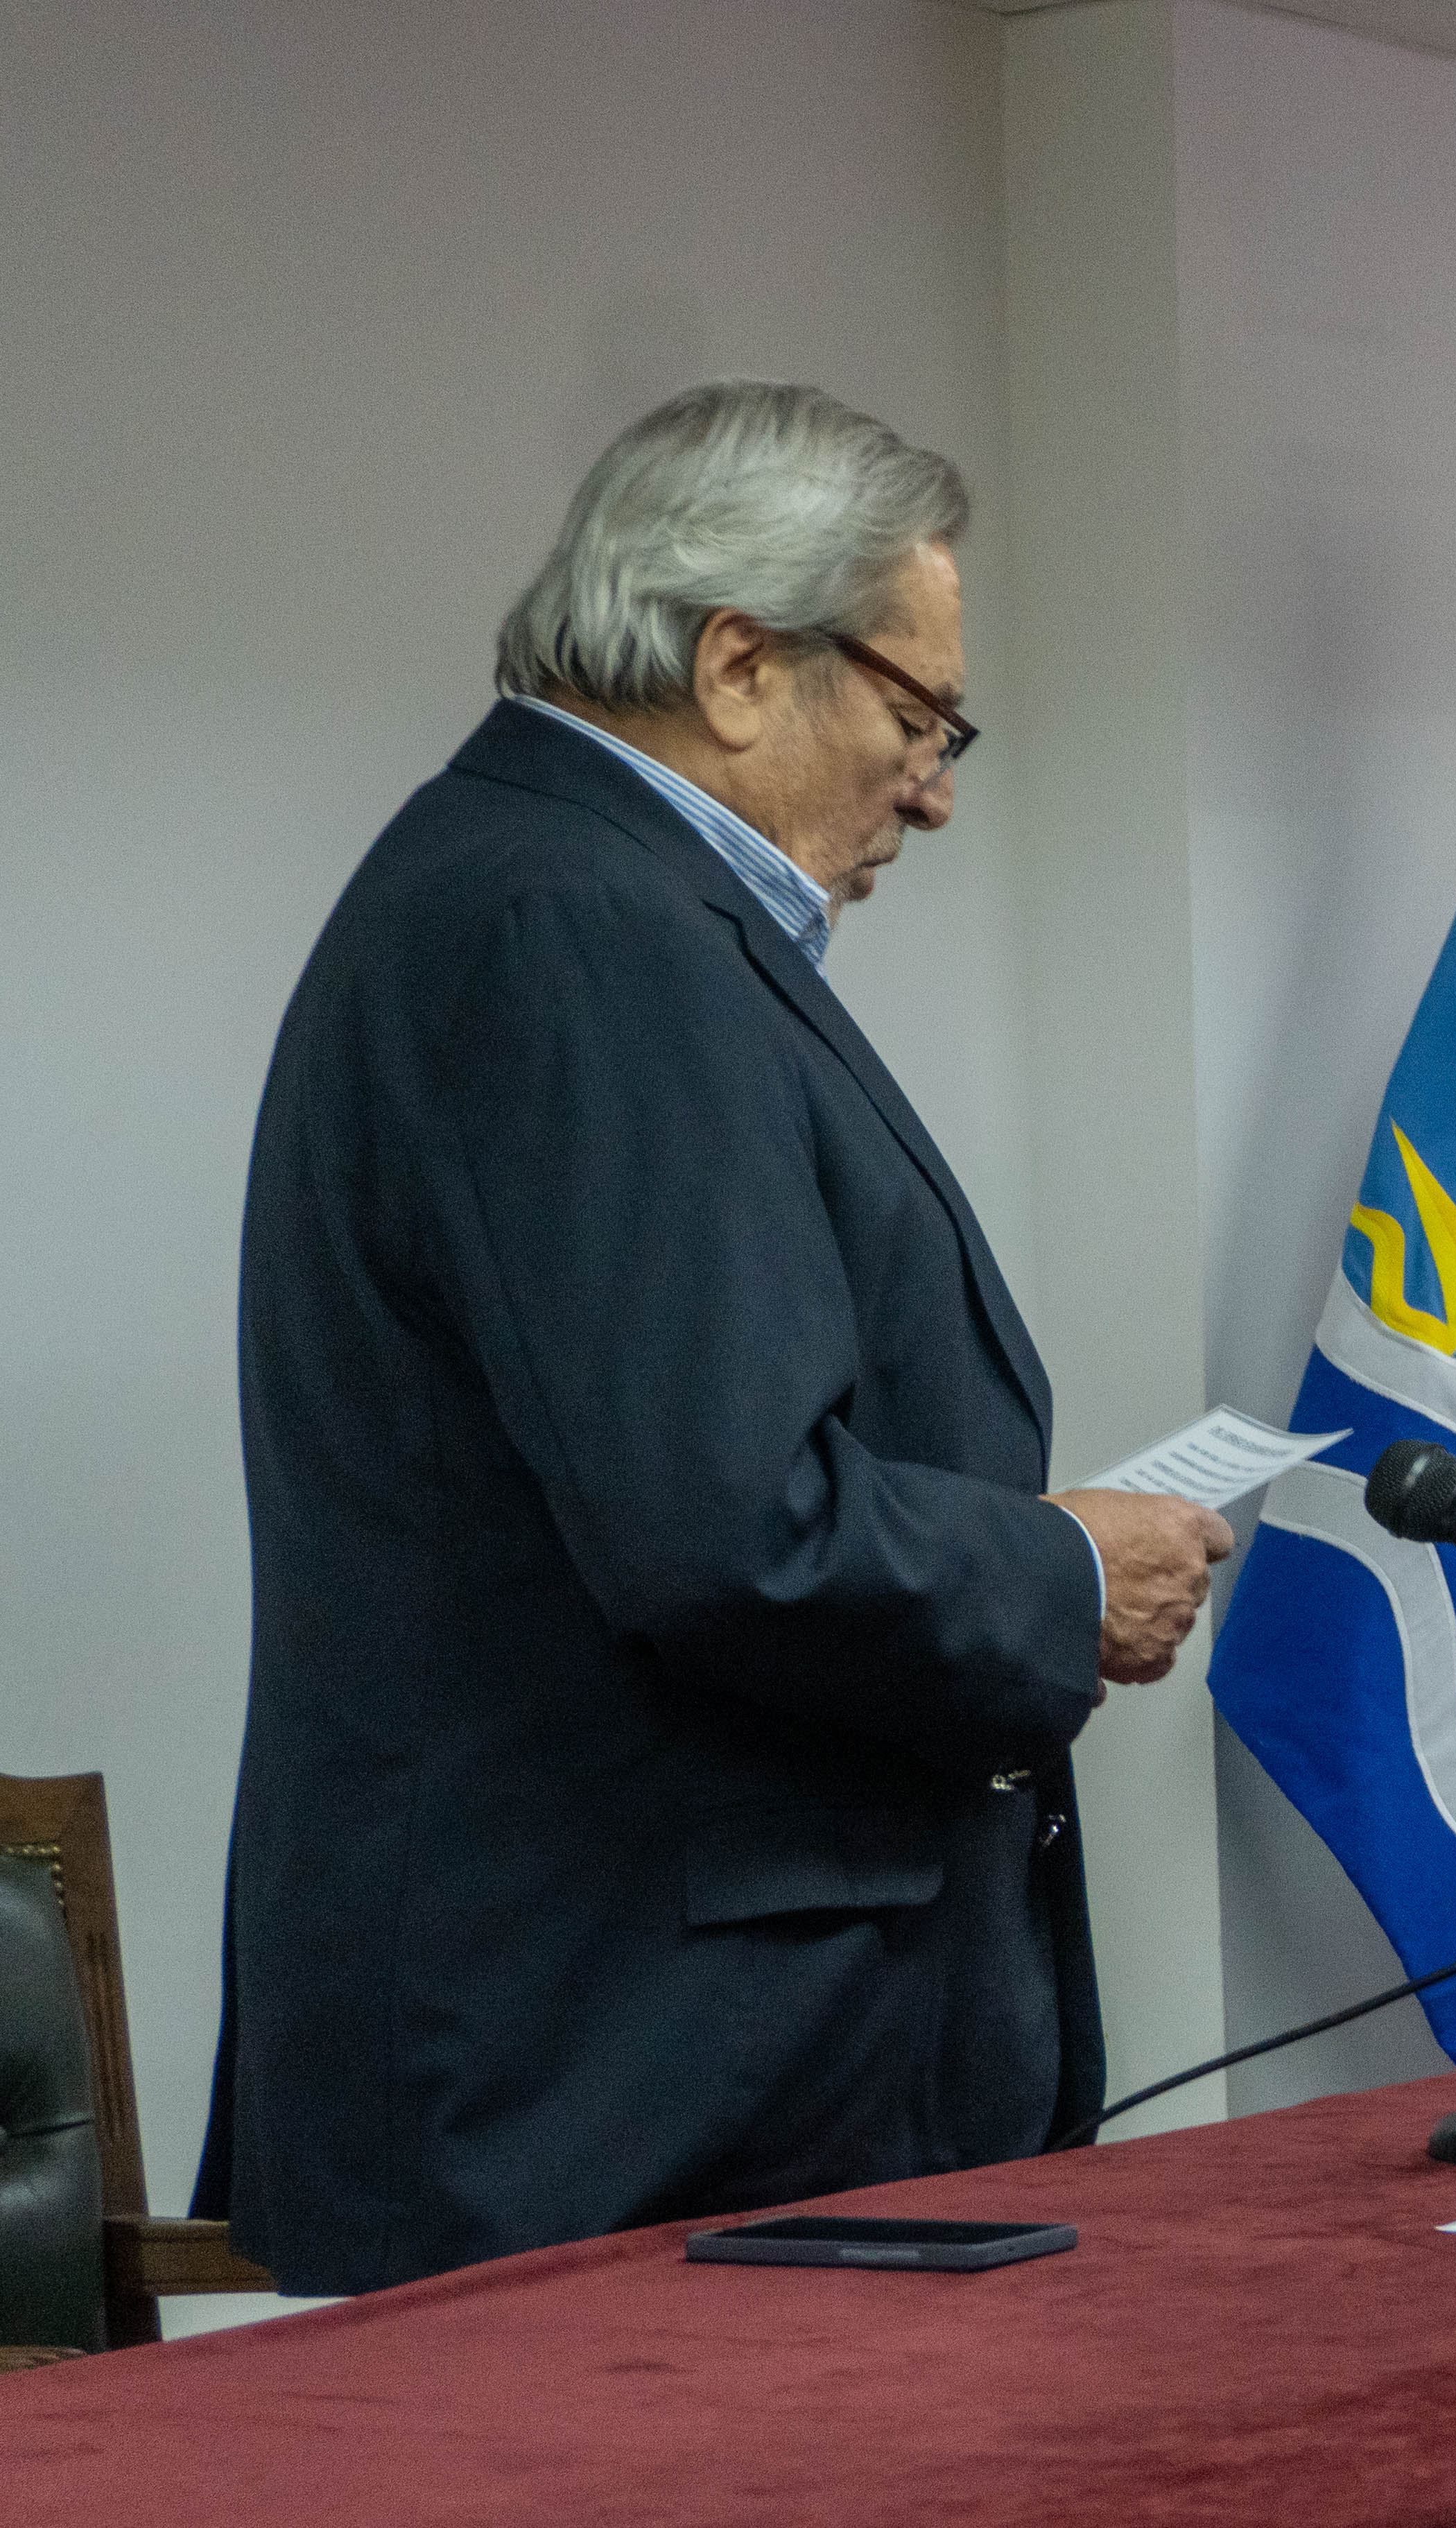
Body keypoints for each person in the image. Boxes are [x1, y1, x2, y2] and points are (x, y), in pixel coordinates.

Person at [211, 382, 1236, 2293]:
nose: (934, 785)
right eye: (920, 717)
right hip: (625, 2072)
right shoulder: (574, 926)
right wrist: (1053, 1570)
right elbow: (723, 1521)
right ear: (743, 661)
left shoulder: (554, 889)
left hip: (652, 2050)